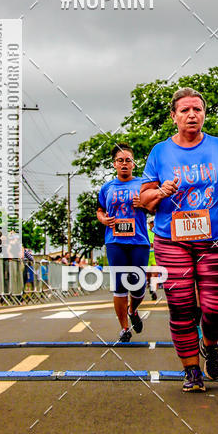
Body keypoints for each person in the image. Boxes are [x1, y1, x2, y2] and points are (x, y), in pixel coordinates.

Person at [140, 87, 218, 392]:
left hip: (216, 236)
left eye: (197, 109)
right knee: (181, 305)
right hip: (172, 240)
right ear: (174, 117)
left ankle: (209, 345)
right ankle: (191, 370)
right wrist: (160, 192)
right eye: (184, 110)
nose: (192, 114)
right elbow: (144, 199)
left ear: (204, 114)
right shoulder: (159, 152)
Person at [97, 143, 150, 343]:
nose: (124, 164)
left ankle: (133, 310)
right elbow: (100, 210)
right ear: (114, 165)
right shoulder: (107, 188)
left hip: (139, 241)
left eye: (128, 160)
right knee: (119, 285)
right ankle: (124, 328)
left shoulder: (143, 184)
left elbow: (154, 207)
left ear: (134, 164)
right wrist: (103, 219)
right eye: (120, 161)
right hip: (115, 240)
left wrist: (143, 204)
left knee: (138, 285)